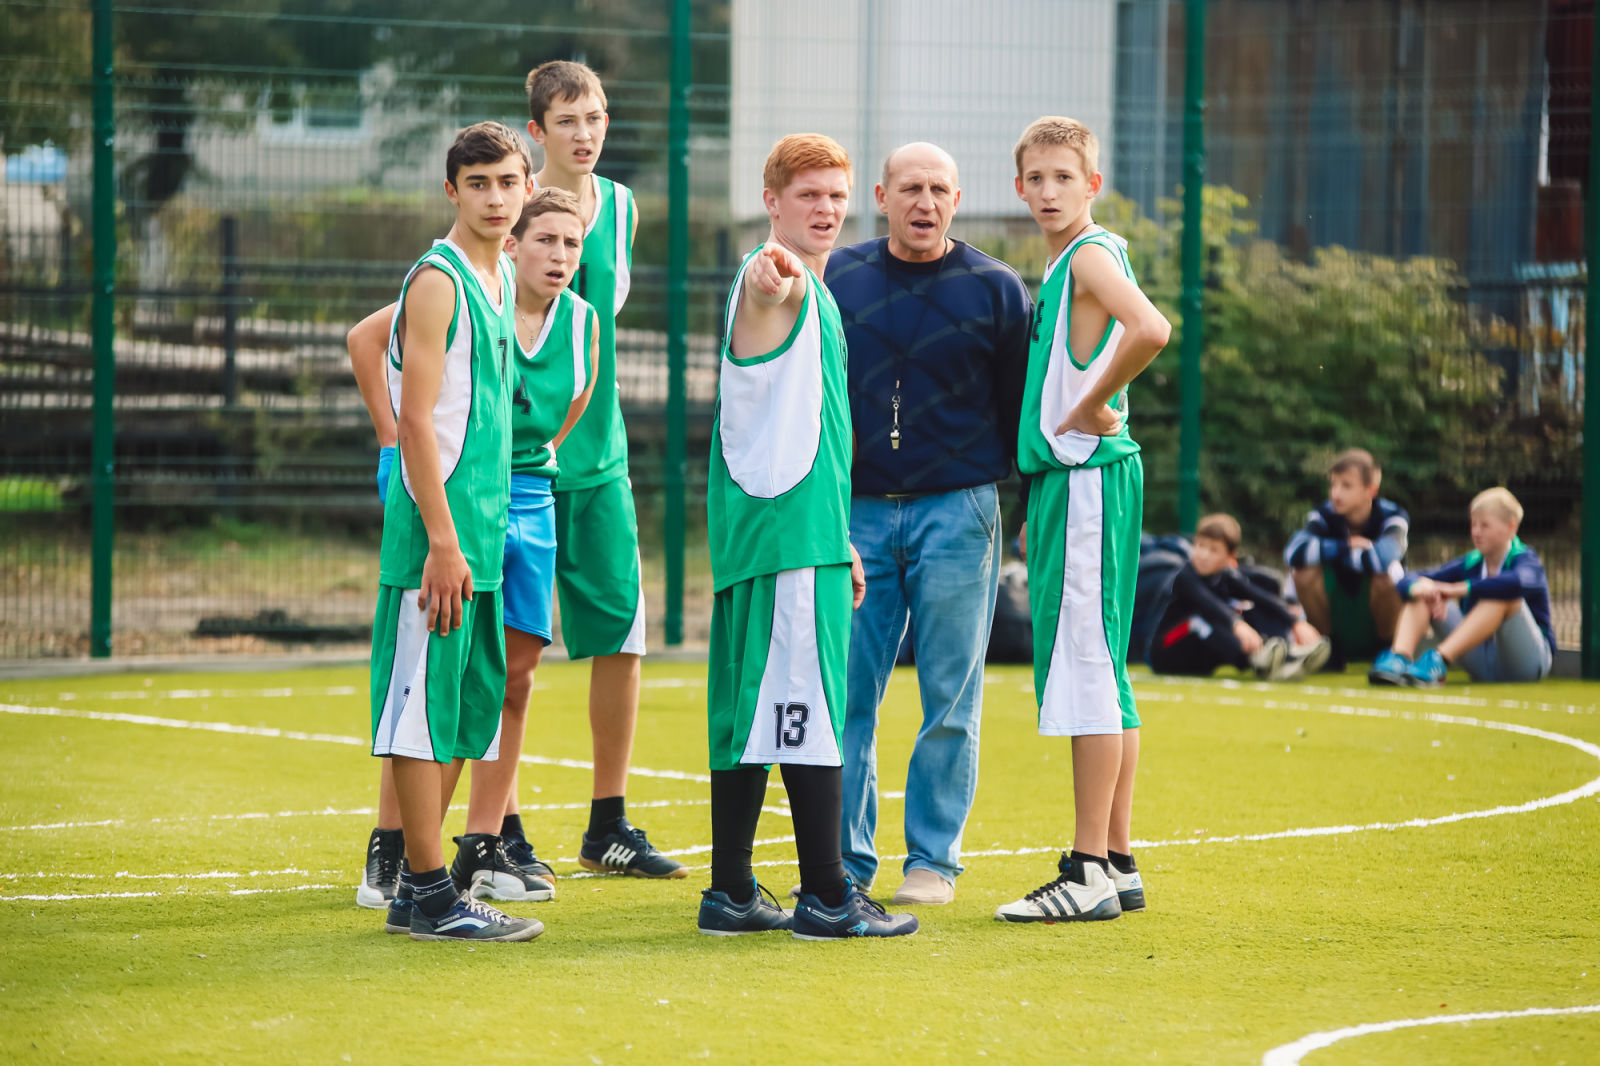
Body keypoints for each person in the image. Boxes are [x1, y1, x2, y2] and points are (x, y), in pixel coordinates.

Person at [698, 133, 917, 940]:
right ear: (772, 202)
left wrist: (841, 538)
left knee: (751, 713)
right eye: (808, 196)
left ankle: (731, 892)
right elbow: (767, 290)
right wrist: (770, 278)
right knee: (808, 708)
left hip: (792, 533)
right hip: (784, 537)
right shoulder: (779, 278)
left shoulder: (817, 290)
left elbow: (805, 430)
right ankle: (827, 894)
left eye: (835, 196)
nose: (825, 210)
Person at [824, 142, 1032, 906]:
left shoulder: (997, 288)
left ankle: (932, 864)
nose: (926, 201)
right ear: (882, 197)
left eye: (941, 189)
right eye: (911, 188)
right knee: (846, 693)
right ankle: (844, 865)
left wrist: (1018, 509)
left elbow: (1018, 407)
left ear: (958, 199)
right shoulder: (838, 276)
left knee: (951, 694)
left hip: (960, 509)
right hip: (855, 514)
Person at [366, 121, 541, 942]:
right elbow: (416, 419)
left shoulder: (500, 274)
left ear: (527, 187)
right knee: (422, 712)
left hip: (481, 534)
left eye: (507, 182)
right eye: (479, 184)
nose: (495, 198)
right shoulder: (438, 281)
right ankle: (432, 892)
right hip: (438, 539)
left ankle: (418, 891)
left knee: (468, 708)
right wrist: (441, 540)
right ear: (452, 191)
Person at [996, 116, 1170, 924]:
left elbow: (1152, 328)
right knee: (1104, 666)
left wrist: (1094, 404)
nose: (1049, 191)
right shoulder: (1075, 259)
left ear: (1092, 184)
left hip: (1089, 479)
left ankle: (1089, 869)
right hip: (1078, 484)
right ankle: (1119, 862)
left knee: (1088, 669)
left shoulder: (1091, 255)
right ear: (1019, 186)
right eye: (1036, 178)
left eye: (1064, 177)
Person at [524, 60, 683, 879]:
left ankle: (608, 825)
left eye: (595, 117)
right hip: (520, 462)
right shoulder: (509, 205)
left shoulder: (621, 207)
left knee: (623, 634)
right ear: (537, 132)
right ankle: (497, 827)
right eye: (567, 120)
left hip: (601, 457)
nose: (584, 133)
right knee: (509, 648)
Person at [1370, 487, 1555, 686]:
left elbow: (1516, 582)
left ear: (1512, 528)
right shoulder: (1471, 562)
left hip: (1526, 665)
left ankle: (1438, 660)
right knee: (1426, 588)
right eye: (1473, 524)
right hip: (1483, 664)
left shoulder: (1528, 560)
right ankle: (1399, 658)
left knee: (1504, 595)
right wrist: (1420, 589)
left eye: (1485, 525)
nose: (1476, 532)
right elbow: (1410, 578)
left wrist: (1458, 589)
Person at [1146, 514, 1330, 680]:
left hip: (1199, 659)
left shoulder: (1226, 576)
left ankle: (1285, 655)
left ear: (1230, 557)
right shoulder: (1185, 577)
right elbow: (1209, 604)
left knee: (1249, 609)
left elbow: (1261, 596)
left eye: (1213, 550)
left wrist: (1295, 622)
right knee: (1201, 620)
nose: (1203, 555)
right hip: (1165, 653)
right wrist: (1236, 624)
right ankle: (1263, 659)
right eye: (1200, 546)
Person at [1284, 449, 1408, 668]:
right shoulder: (1323, 515)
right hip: (1336, 614)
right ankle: (1327, 651)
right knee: (1303, 573)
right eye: (1333, 485)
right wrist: (1346, 546)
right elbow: (1293, 554)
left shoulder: (1393, 515)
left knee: (1385, 577)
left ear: (1370, 490)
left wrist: (1330, 554)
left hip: (1377, 619)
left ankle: (1387, 652)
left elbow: (1383, 559)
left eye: (1346, 486)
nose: (1336, 494)